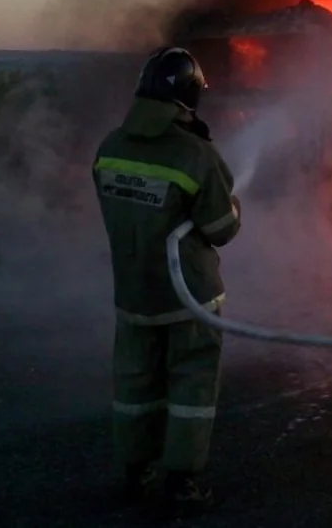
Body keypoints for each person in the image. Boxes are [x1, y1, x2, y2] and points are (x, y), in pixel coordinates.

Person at [91, 46, 242, 514]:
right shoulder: (196, 154)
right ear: (189, 97)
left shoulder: (110, 147)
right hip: (189, 296)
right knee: (192, 384)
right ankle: (181, 482)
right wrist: (233, 208)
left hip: (134, 291)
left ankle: (137, 472)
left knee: (136, 383)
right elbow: (222, 230)